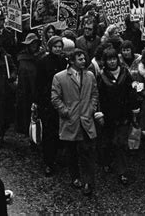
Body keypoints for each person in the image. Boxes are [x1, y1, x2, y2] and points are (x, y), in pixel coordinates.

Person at [51, 48, 99, 194]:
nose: (84, 61)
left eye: (84, 58)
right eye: (80, 59)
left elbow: (94, 94)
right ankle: (75, 177)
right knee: (71, 152)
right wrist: (65, 111)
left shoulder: (90, 76)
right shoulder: (59, 77)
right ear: (71, 61)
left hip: (86, 120)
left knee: (87, 152)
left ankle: (88, 182)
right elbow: (55, 98)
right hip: (70, 121)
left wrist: (91, 109)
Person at [97, 47, 139, 184]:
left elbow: (132, 92)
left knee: (121, 142)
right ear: (105, 61)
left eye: (114, 58)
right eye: (109, 59)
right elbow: (98, 96)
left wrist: (134, 109)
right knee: (108, 141)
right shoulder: (101, 76)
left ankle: (122, 171)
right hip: (108, 115)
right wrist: (100, 114)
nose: (112, 62)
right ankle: (107, 162)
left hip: (123, 114)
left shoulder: (125, 73)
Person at [36, 36, 67, 176]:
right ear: (50, 47)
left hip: (61, 99)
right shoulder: (43, 61)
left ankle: (58, 157)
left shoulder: (63, 61)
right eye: (55, 46)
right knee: (49, 133)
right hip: (47, 101)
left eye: (60, 46)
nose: (58, 49)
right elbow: (39, 82)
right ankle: (48, 162)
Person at [15, 33, 40, 135]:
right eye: (31, 44)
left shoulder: (39, 57)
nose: (34, 46)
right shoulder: (22, 58)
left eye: (35, 44)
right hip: (24, 88)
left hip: (36, 87)